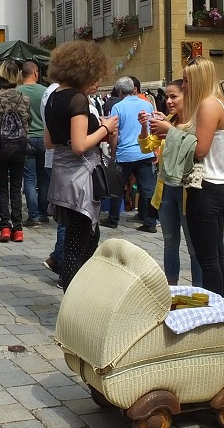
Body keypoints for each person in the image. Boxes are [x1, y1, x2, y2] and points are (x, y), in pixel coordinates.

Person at [44, 41, 116, 290]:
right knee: (78, 241)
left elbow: (49, 142)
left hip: (63, 175)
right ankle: (72, 296)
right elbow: (79, 145)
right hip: (79, 177)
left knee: (86, 236)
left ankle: (78, 290)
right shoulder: (77, 99)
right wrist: (105, 128)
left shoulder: (53, 97)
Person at [140, 79, 204, 286]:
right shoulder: (168, 120)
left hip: (188, 191)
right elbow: (148, 147)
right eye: (167, 97)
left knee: (195, 247)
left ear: (187, 96)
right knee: (170, 242)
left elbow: (197, 149)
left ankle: (199, 291)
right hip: (167, 190)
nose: (168, 101)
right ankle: (171, 288)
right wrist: (144, 127)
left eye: (173, 96)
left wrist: (170, 130)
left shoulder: (195, 124)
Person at [180, 57, 224, 296]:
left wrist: (170, 132)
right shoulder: (217, 103)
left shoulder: (208, 105)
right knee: (216, 255)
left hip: (207, 187)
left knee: (208, 259)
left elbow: (200, 150)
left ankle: (216, 310)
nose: (183, 86)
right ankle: (219, 306)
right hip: (218, 185)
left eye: (186, 80)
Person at [105, 76, 158, 233]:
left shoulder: (118, 107)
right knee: (147, 189)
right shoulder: (147, 104)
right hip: (144, 152)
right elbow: (153, 128)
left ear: (120, 91)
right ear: (134, 88)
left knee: (117, 187)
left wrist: (113, 153)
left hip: (125, 153)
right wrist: (154, 149)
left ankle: (113, 219)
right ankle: (149, 222)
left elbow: (114, 134)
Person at [0, 60, 30, 242]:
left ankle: (5, 227)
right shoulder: (24, 98)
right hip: (20, 148)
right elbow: (28, 122)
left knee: (2, 188)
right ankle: (18, 229)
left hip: (1, 149)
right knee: (17, 188)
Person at [18, 60, 50, 226]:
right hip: (44, 139)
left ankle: (33, 215)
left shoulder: (17, 92)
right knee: (44, 178)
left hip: (26, 138)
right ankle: (44, 213)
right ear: (36, 72)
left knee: (29, 179)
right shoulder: (45, 92)